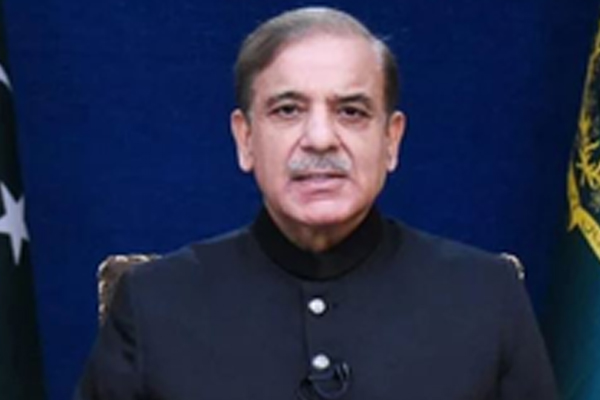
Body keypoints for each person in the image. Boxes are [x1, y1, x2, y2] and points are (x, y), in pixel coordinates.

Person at [75, 7, 557, 400]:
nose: (321, 138)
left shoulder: (486, 296)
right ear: (246, 139)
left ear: (391, 141)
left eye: (351, 111)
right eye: (288, 110)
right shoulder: (153, 302)